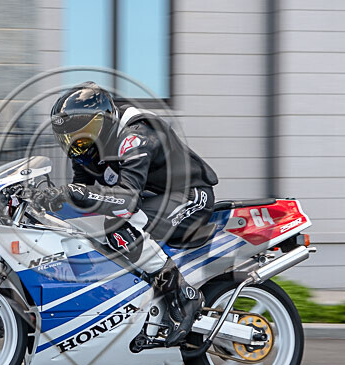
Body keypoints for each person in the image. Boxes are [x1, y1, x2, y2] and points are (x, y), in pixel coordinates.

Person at [34, 82, 219, 346]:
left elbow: (126, 199)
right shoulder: (85, 153)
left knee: (116, 223)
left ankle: (183, 296)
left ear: (106, 119)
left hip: (190, 197)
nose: (78, 144)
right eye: (70, 138)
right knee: (88, 226)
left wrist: (72, 192)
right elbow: (86, 196)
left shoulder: (137, 135)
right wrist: (50, 201)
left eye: (86, 133)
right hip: (153, 198)